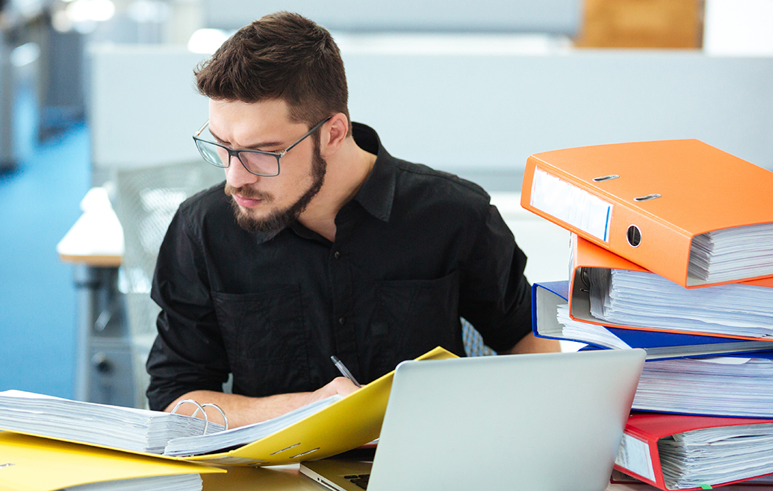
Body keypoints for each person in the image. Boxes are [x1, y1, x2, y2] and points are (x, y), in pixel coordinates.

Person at [145, 11, 559, 427]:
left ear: (333, 133)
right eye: (221, 145)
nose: (235, 178)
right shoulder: (202, 229)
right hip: (273, 482)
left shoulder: (454, 214)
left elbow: (528, 338)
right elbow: (174, 397)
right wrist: (307, 408)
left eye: (263, 152)